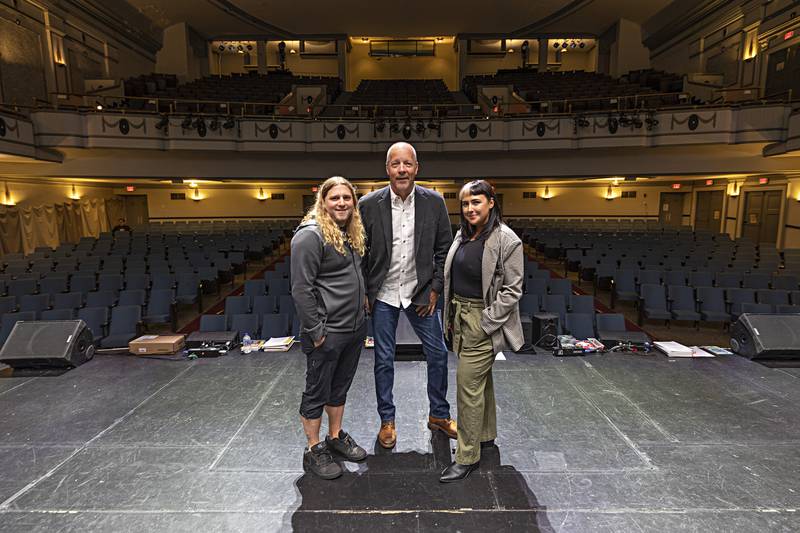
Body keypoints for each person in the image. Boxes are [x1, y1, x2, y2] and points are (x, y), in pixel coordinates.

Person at [358, 142, 455, 449]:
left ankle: (439, 414)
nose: (402, 170)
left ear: (416, 168)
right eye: (395, 164)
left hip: (421, 292)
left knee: (438, 354)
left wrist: (436, 289)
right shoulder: (368, 203)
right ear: (387, 169)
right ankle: (387, 420)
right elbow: (360, 252)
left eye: (407, 164)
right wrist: (364, 290)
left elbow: (444, 251)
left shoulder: (434, 202)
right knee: (383, 360)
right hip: (384, 294)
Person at [439, 179, 524, 483]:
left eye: (476, 202)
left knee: (467, 386)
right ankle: (485, 436)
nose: (470, 208)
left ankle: (466, 456)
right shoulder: (463, 235)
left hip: (481, 318)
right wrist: (450, 316)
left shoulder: (507, 240)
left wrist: (486, 321)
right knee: (480, 382)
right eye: (465, 203)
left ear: (491, 202)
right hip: (460, 315)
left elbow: (513, 291)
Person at [291, 176, 369, 480]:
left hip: (353, 329)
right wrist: (317, 330)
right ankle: (314, 448)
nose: (341, 203)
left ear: (353, 202)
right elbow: (301, 289)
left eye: (347, 198)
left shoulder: (349, 233)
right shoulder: (310, 236)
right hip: (326, 333)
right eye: (334, 198)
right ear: (323, 201)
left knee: (339, 387)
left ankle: (335, 437)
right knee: (316, 392)